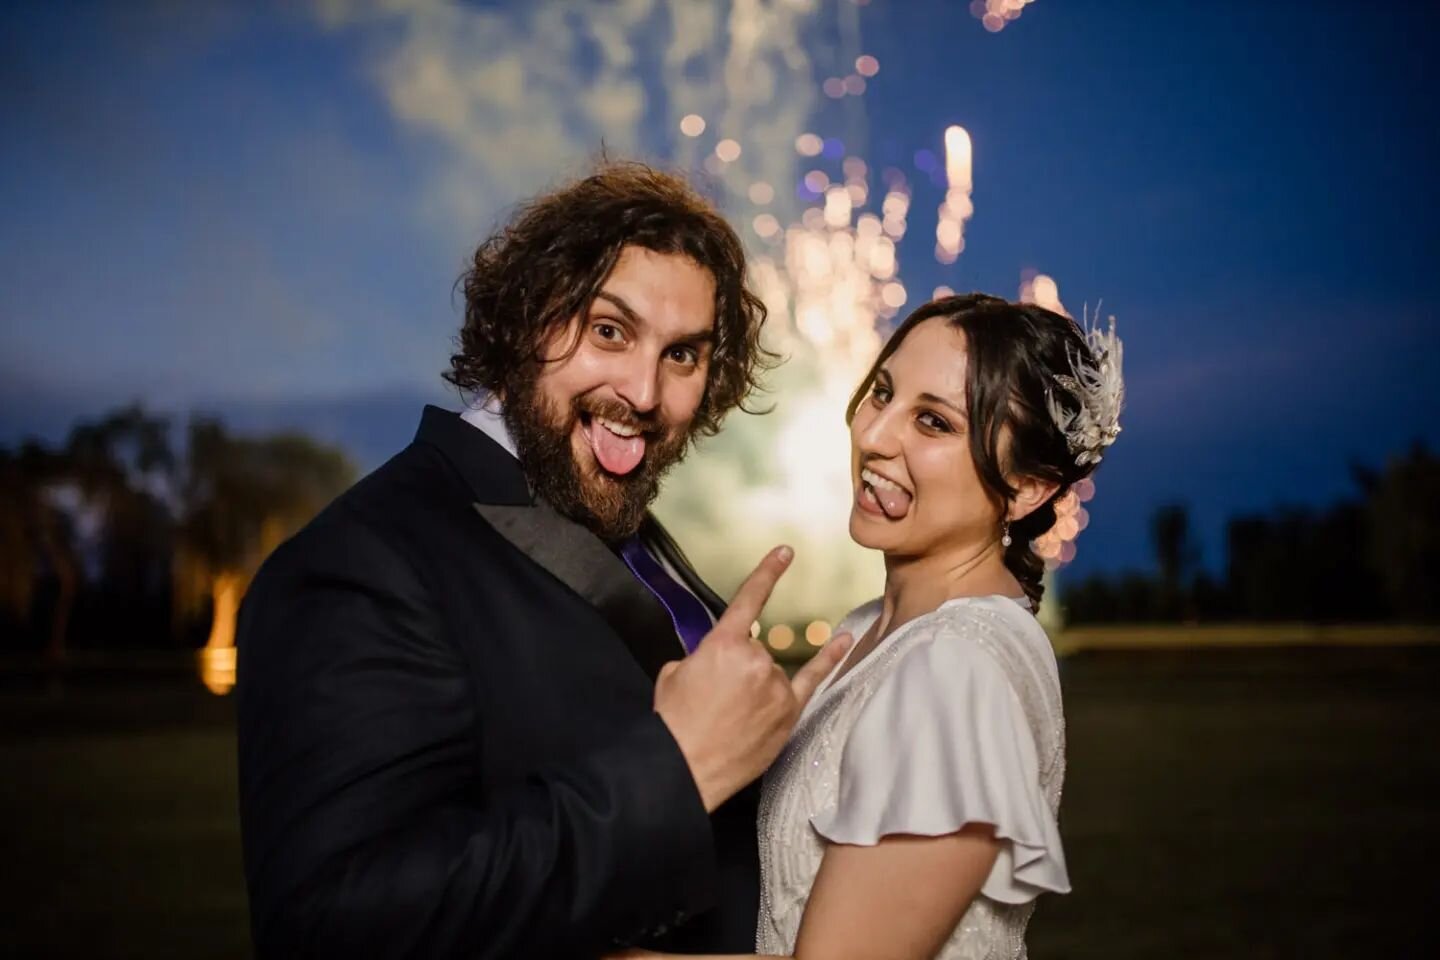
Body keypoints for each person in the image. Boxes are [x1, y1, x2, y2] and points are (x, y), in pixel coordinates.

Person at [234, 161, 851, 958]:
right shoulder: (361, 563)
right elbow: (336, 927)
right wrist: (679, 767)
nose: (643, 391)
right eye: (609, 331)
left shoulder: (616, 520)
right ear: (526, 320)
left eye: (685, 356)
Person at [615, 293, 1124, 960]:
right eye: (882, 393)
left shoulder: (956, 668)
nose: (875, 435)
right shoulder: (871, 631)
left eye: (934, 423)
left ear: (1027, 487)